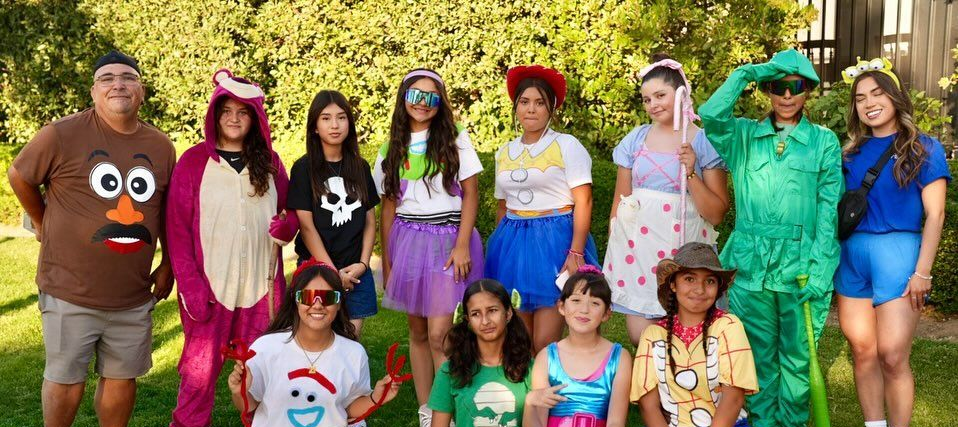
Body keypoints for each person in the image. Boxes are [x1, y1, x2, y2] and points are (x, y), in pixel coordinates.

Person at [6, 50, 176, 427]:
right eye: (107, 78)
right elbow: (20, 175)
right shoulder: (61, 134)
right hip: (70, 290)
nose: (118, 84)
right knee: (66, 379)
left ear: (142, 90)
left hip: (132, 294)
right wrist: (42, 221)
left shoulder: (161, 146)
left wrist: (168, 263)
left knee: (122, 379)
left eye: (128, 77)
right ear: (94, 91)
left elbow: (165, 209)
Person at [698, 48, 843, 427]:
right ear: (767, 90)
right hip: (750, 267)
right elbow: (711, 114)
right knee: (757, 359)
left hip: (800, 267)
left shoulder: (823, 142)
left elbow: (828, 212)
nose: (787, 95)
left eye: (796, 86)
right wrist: (747, 72)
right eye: (778, 87)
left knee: (797, 361)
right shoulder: (743, 135)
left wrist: (821, 271)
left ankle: (792, 423)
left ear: (807, 90)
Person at [166, 69, 298, 427]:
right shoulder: (193, 162)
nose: (234, 119)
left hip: (261, 290)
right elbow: (177, 230)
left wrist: (287, 227)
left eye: (243, 112)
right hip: (210, 289)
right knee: (199, 375)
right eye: (226, 111)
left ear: (255, 119)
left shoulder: (270, 163)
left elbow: (291, 212)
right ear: (214, 115)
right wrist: (191, 287)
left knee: (263, 373)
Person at [836, 57, 951, 427]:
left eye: (877, 93)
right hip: (852, 258)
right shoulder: (848, 153)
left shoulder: (924, 148)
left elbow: (936, 214)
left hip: (898, 256)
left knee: (892, 355)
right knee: (862, 351)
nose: (868, 103)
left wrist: (923, 272)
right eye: (860, 98)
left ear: (895, 96)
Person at [373, 68, 485, 426]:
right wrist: (388, 260)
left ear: (441, 101)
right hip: (408, 241)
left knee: (441, 333)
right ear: (403, 98)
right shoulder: (391, 148)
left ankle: (445, 411)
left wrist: (463, 244)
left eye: (431, 96)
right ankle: (426, 411)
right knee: (418, 332)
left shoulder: (455, 139)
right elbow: (388, 208)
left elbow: (471, 193)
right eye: (415, 95)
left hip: (448, 241)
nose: (422, 103)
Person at [604, 54, 730, 347]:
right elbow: (620, 202)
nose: (653, 104)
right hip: (639, 253)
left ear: (682, 93)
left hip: (683, 251)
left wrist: (691, 172)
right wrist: (615, 246)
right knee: (643, 338)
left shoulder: (702, 142)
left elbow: (716, 214)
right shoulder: (635, 140)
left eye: (660, 95)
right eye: (647, 99)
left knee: (688, 339)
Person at [485, 65, 599, 353]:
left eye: (540, 102)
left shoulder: (566, 145)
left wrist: (575, 251)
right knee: (520, 340)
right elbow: (502, 205)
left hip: (555, 240)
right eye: (524, 102)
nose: (531, 109)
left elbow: (584, 200)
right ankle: (528, 383)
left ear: (552, 108)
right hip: (512, 242)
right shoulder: (504, 152)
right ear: (516, 106)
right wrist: (501, 250)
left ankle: (551, 380)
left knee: (545, 340)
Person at [228, 260, 402, 426]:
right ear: (296, 301)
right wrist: (239, 391)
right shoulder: (265, 348)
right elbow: (249, 407)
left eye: (328, 297)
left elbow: (349, 409)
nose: (317, 305)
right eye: (308, 296)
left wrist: (375, 398)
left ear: (339, 303)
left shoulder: (354, 354)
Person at [632, 242, 758, 427]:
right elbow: (648, 406)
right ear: (673, 284)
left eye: (710, 281)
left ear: (718, 288)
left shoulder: (728, 326)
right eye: (689, 279)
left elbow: (733, 399)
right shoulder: (653, 336)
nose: (700, 289)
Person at [287, 90, 380, 336]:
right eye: (326, 118)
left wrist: (363, 264)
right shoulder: (303, 169)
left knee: (350, 340)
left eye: (341, 117)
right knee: (315, 339)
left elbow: (370, 221)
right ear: (315, 126)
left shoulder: (360, 167)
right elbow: (306, 227)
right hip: (316, 269)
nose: (335, 125)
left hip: (355, 271)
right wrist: (331, 272)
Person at [523, 267, 632, 427]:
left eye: (595, 303)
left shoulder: (619, 357)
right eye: (576, 300)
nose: (584, 310)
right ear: (561, 306)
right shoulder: (546, 358)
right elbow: (537, 422)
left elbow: (616, 422)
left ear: (606, 314)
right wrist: (530, 402)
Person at [428, 279, 534, 427]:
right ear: (468, 320)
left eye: (492, 310)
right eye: (476, 314)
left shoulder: (530, 368)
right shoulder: (451, 371)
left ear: (508, 313)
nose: (485, 321)